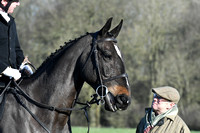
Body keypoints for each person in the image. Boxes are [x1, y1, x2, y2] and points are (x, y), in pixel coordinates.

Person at [0, 0, 32, 84]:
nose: (18, 4)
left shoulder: (11, 21)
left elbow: (16, 48)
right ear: (3, 1)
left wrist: (23, 64)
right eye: (16, 1)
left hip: (11, 80)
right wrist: (4, 69)